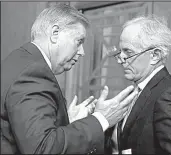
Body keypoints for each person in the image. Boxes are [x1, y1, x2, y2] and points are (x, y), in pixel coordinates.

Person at [0, 4, 139, 154]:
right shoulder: (33, 74)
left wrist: (67, 122)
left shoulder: (19, 60)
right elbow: (43, 148)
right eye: (79, 41)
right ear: (55, 33)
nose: (82, 52)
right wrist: (101, 119)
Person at [105, 15, 171, 154]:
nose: (120, 59)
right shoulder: (136, 90)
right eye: (120, 52)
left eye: (128, 52)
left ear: (155, 55)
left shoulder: (169, 96)